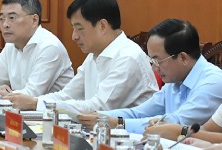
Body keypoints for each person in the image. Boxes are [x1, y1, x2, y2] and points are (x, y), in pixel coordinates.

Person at [6, 0, 157, 115]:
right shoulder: (94, 55)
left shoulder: (128, 57)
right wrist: (29, 101)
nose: (74, 36)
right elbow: (67, 95)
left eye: (79, 28)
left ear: (102, 26)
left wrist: (35, 103)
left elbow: (98, 107)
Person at [76, 19, 222, 134]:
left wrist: (118, 123)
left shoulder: (212, 82)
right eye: (151, 61)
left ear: (183, 58)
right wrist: (99, 115)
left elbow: (176, 123)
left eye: (158, 61)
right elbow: (139, 112)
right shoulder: (175, 80)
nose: (154, 68)